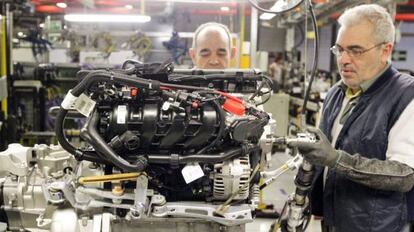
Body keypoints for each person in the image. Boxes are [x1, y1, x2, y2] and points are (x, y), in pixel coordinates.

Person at [287, 4, 414, 232]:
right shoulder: (338, 91)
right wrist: (302, 199)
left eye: (355, 50)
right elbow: (321, 155)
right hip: (333, 221)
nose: (344, 59)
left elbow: (404, 174)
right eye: (340, 49)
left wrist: (336, 159)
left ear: (385, 50)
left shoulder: (406, 96)